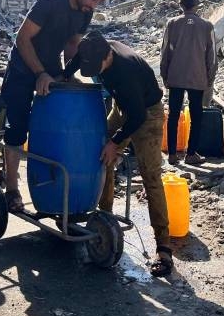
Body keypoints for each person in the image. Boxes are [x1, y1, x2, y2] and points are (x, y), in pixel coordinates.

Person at [0, 0, 109, 212]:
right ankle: (12, 187)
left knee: (53, 126)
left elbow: (72, 45)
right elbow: (22, 39)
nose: (94, 5)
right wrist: (40, 73)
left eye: (99, 1)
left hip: (49, 70)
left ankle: (53, 182)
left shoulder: (84, 13)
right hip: (22, 69)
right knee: (17, 128)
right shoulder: (50, 1)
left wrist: (68, 76)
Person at [74, 31, 173, 277]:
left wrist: (116, 142)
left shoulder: (125, 71)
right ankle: (104, 221)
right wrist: (61, 77)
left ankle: (164, 248)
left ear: (108, 55)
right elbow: (77, 61)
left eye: (98, 66)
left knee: (151, 177)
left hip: (147, 113)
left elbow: (137, 116)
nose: (94, 69)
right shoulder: (94, 48)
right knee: (102, 156)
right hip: (122, 106)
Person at [160, 0, 216, 166]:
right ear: (197, 5)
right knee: (196, 115)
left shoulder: (172, 24)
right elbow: (212, 56)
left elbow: (164, 52)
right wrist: (209, 78)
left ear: (181, 6)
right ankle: (191, 154)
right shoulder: (207, 26)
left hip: (176, 76)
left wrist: (165, 75)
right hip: (198, 77)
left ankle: (172, 155)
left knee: (174, 115)